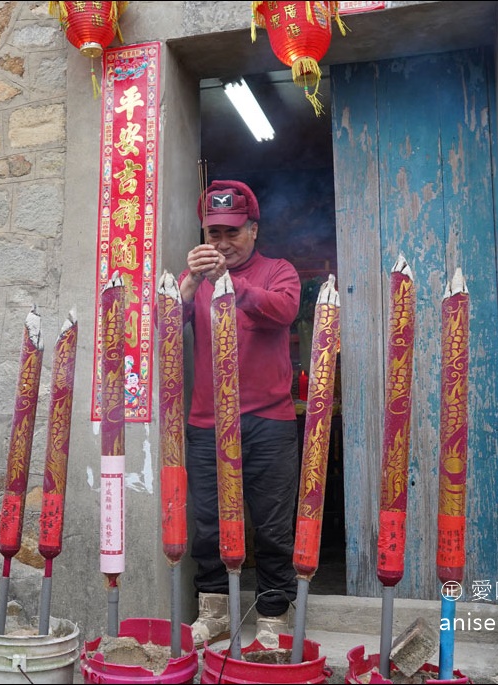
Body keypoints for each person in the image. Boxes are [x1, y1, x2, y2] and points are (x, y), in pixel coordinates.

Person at [179, 179, 301, 649]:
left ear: (253, 230)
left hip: (268, 422)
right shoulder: (197, 281)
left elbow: (284, 309)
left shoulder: (278, 271)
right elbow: (163, 326)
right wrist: (190, 284)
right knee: (209, 522)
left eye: (232, 233)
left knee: (271, 524)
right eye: (214, 234)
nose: (223, 244)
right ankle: (214, 611)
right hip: (207, 422)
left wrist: (233, 285)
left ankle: (273, 614)